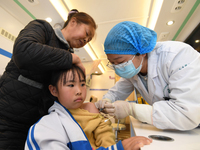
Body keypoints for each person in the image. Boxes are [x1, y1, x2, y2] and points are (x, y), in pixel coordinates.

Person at [0, 9, 97, 150]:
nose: (85, 41)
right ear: (73, 22)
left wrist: (83, 107)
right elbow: (23, 51)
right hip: (10, 120)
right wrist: (72, 58)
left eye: (88, 41)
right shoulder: (43, 29)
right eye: (86, 34)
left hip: (40, 124)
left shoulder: (68, 55)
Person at [95, 21, 200, 131]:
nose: (118, 68)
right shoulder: (134, 71)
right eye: (112, 63)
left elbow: (186, 114)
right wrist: (106, 100)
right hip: (175, 128)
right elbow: (117, 92)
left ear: (141, 52)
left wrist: (131, 109)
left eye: (120, 61)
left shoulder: (178, 56)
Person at [25, 65, 152, 150]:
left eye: (82, 84)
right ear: (53, 90)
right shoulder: (46, 127)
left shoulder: (90, 109)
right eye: (70, 85)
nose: (79, 91)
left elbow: (106, 138)